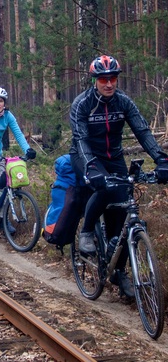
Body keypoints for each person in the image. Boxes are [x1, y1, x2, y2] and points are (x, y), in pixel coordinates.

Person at [69, 55, 168, 298]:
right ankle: (87, 232)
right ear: (96, 80)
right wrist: (91, 167)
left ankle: (119, 272)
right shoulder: (82, 104)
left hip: (113, 157)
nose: (109, 84)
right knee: (103, 189)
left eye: (112, 78)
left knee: (124, 213)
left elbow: (142, 131)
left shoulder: (123, 102)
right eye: (104, 79)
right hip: (86, 156)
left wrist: (161, 158)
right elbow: (80, 139)